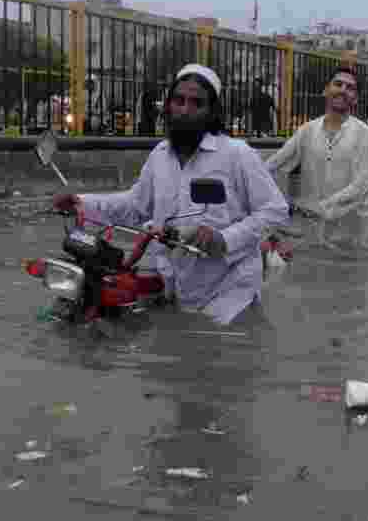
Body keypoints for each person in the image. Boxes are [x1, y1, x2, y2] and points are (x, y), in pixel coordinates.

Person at [51, 63, 289, 326]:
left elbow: (275, 210)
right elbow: (135, 205)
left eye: (197, 103)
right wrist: (81, 201)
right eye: (179, 100)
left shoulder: (236, 154)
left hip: (230, 294)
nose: (185, 110)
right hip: (176, 287)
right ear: (168, 105)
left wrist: (224, 238)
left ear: (212, 111)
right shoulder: (160, 155)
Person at [265, 65, 368, 251]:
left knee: (357, 275)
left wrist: (320, 208)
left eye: (350, 87)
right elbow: (275, 164)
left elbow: (363, 183)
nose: (343, 89)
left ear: (356, 99)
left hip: (358, 226)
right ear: (326, 90)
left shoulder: (366, 134)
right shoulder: (306, 130)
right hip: (319, 226)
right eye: (338, 84)